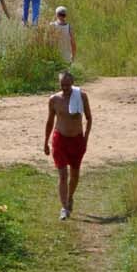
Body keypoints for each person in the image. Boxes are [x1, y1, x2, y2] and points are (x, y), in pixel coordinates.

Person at [44, 70, 92, 220]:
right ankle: (64, 207)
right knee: (63, 175)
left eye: (67, 84)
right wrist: (45, 142)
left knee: (75, 174)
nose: (65, 87)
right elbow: (50, 121)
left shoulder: (81, 97)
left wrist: (85, 138)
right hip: (60, 140)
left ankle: (70, 196)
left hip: (77, 140)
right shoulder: (54, 100)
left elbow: (89, 118)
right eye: (62, 84)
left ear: (72, 83)